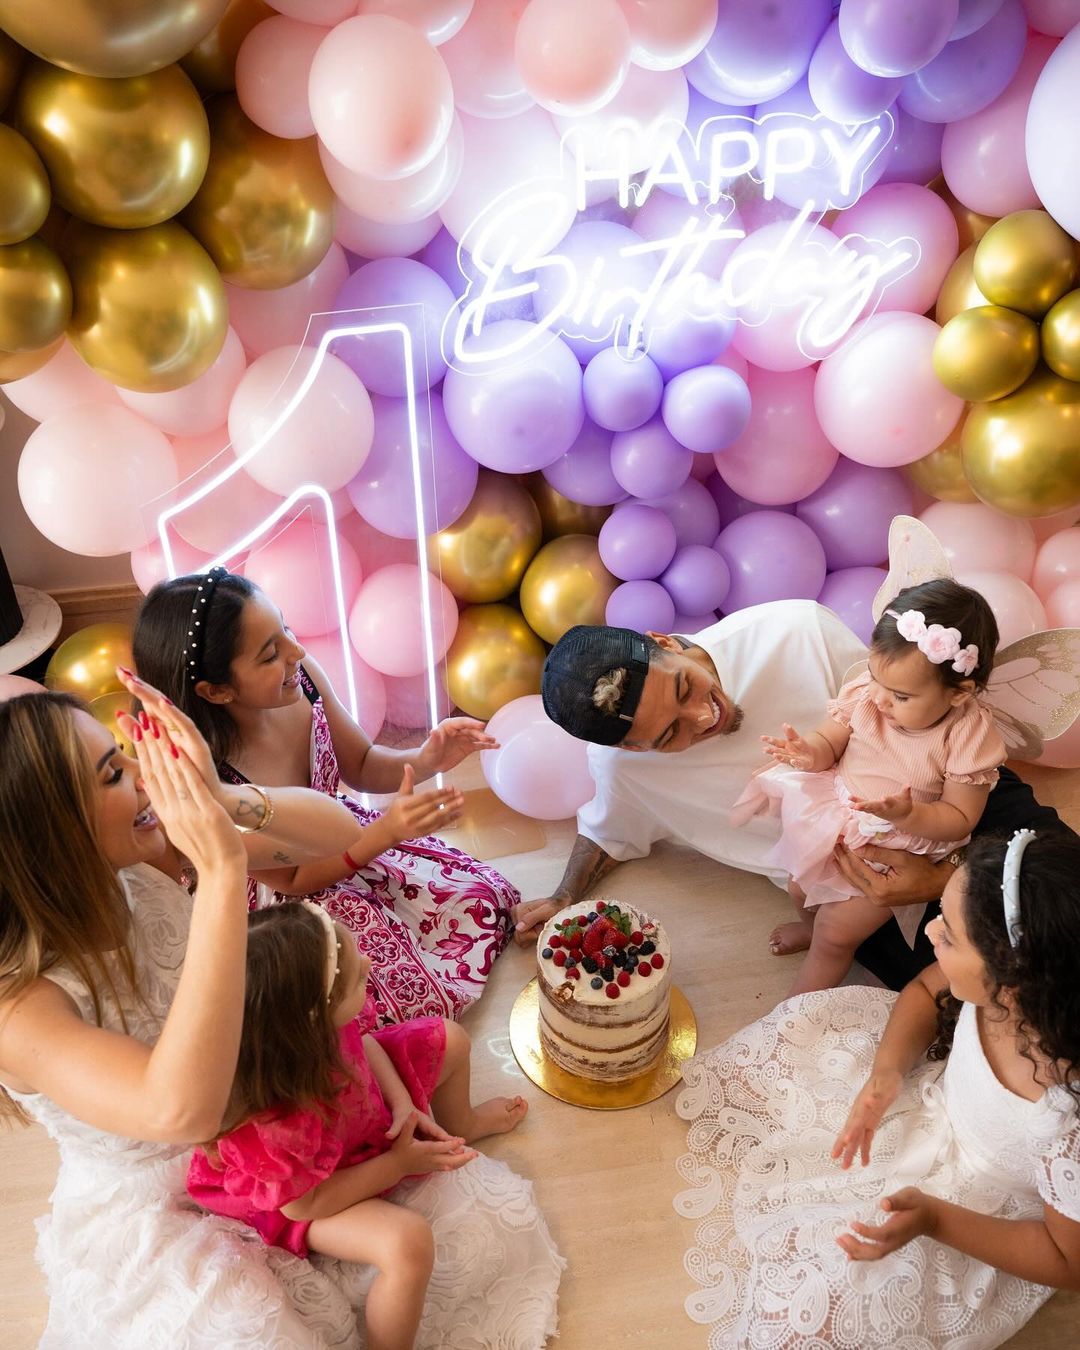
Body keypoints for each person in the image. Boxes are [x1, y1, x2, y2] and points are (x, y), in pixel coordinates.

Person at [0, 677, 563, 1348]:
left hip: (272, 1111)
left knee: (468, 1232)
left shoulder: (140, 856)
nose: (147, 779)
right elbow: (183, 1111)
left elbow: (337, 832)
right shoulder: (22, 1009)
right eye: (115, 774)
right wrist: (219, 871)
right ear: (50, 833)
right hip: (165, 1202)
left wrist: (224, 797)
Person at [518, 601, 1076, 992]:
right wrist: (565, 894)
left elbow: (920, 717)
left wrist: (947, 871)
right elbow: (610, 830)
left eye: (685, 688)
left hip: (950, 792)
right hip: (849, 881)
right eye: (670, 736)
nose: (702, 717)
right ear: (634, 753)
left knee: (1067, 901)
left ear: (666, 643)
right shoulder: (623, 771)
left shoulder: (797, 629)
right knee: (992, 999)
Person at [674, 829, 1080, 1349]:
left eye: (949, 935)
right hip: (929, 1101)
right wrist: (886, 1074)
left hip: (968, 1214)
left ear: (1013, 977)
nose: (931, 931)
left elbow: (1067, 1260)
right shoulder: (1007, 984)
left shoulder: (1065, 1119)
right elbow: (921, 990)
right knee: (794, 1033)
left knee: (820, 1310)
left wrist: (934, 1219)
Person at [133, 569, 520, 1024]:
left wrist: (427, 757)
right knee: (388, 1003)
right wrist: (387, 832)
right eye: (270, 654)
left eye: (286, 629)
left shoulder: (301, 679)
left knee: (484, 895)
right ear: (216, 691)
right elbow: (296, 881)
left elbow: (360, 762)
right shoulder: (210, 783)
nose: (296, 652)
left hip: (350, 837)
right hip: (291, 900)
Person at [189, 902, 529, 1350]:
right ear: (313, 1019)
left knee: (452, 1038)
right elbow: (303, 1205)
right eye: (355, 975)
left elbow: (364, 1039)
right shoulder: (280, 1122)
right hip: (311, 1193)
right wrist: (397, 1164)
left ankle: (462, 1120)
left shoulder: (318, 1026)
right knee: (408, 1245)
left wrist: (404, 1102)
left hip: (364, 1112)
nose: (368, 962)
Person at [735, 580, 1004, 995]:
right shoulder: (868, 692)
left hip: (894, 845)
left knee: (836, 932)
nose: (879, 698)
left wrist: (910, 814)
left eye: (899, 695)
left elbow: (960, 817)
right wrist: (810, 752)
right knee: (798, 885)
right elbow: (831, 739)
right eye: (875, 677)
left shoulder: (968, 734)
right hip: (836, 814)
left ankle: (793, 1010)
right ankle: (809, 929)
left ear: (958, 693)